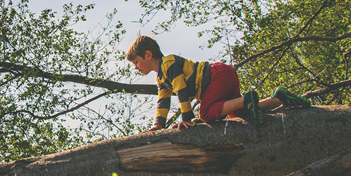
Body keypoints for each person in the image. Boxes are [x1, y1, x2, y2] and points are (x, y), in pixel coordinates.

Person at [126, 35, 311, 129]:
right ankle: (278, 99)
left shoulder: (168, 64)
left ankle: (245, 99)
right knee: (238, 114)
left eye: (136, 62)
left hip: (215, 77)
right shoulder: (161, 77)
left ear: (148, 55)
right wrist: (159, 124)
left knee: (206, 114)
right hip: (223, 74)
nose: (136, 67)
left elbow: (182, 91)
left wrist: (186, 119)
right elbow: (163, 102)